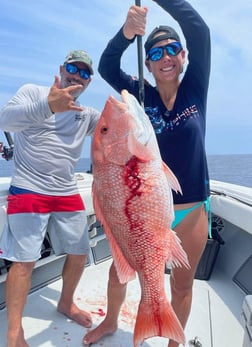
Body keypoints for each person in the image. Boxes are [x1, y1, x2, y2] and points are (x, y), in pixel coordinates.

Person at [83, 1, 211, 346]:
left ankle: (173, 342)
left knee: (182, 285)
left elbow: (200, 31)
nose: (166, 56)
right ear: (149, 65)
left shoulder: (195, 89)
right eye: (156, 52)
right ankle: (111, 322)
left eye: (173, 49)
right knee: (119, 271)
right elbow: (108, 65)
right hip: (140, 211)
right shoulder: (142, 98)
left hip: (190, 208)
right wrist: (127, 33)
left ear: (183, 57)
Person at [0, 49, 100, 347]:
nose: (77, 75)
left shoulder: (86, 114)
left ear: (89, 81)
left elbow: (120, 125)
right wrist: (49, 106)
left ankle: (66, 303)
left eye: (84, 73)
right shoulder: (33, 92)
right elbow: (5, 120)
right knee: (24, 261)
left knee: (80, 251)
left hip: (66, 189)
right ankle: (15, 332)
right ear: (61, 68)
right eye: (73, 68)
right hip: (29, 187)